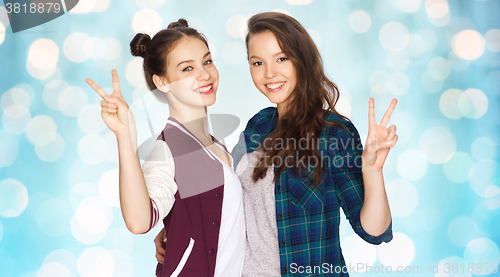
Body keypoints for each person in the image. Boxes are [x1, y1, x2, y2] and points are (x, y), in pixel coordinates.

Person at [155, 12, 398, 277]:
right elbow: (226, 196)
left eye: (281, 58)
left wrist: (373, 172)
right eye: (257, 62)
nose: (270, 73)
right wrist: (176, 225)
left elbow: (374, 231)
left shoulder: (333, 134)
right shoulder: (256, 127)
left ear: (301, 59)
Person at [86, 19, 245, 277]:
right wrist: (125, 136)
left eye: (207, 61)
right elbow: (139, 221)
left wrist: (175, 228)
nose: (204, 74)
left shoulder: (218, 146)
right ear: (162, 82)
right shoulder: (168, 148)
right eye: (187, 68)